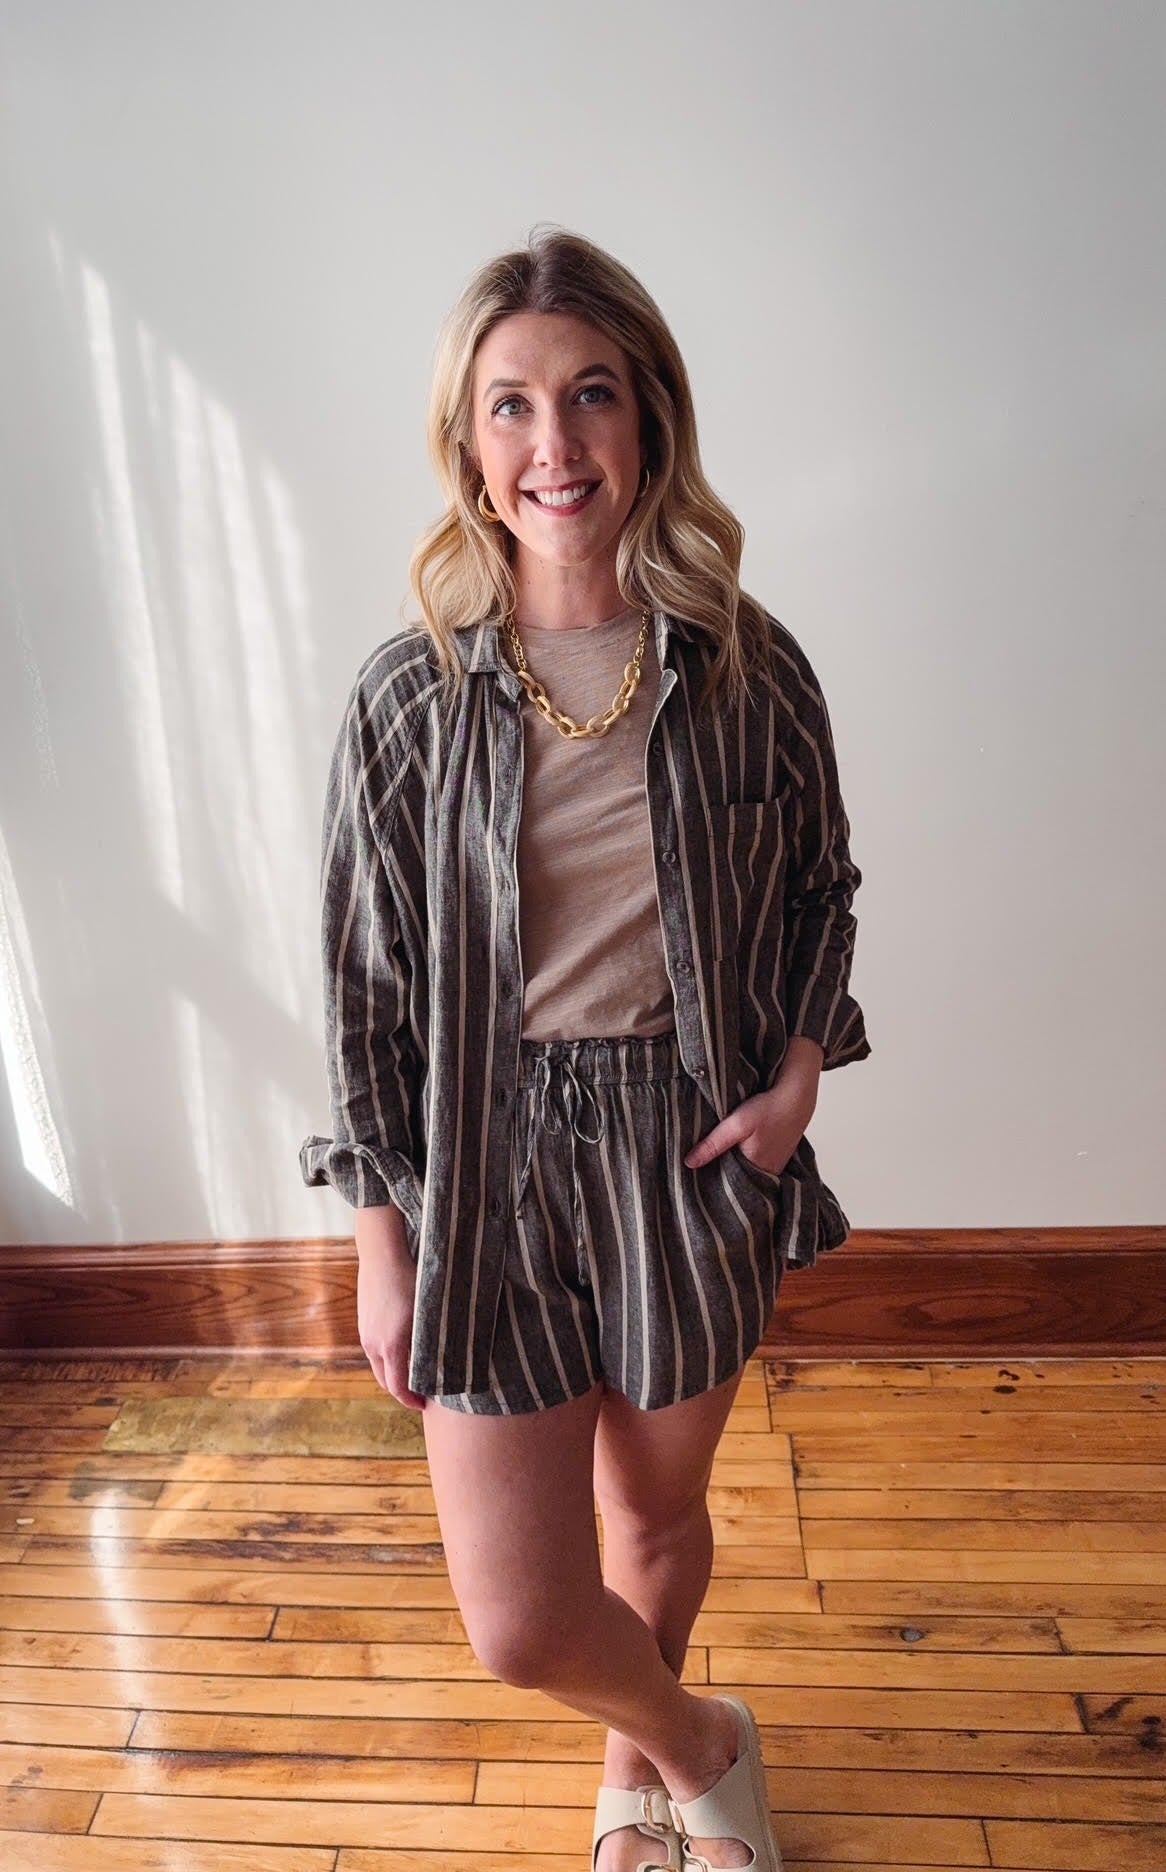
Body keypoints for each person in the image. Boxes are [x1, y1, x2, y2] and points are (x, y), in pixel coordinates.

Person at [300, 226, 871, 1872]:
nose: (553, 443)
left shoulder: (749, 670)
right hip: (478, 1164)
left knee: (651, 1516)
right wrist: (380, 1241)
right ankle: (702, 1744)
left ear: (648, 419)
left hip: (684, 1150)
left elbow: (822, 889)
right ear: (468, 445)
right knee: (519, 1615)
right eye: (511, 404)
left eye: (591, 395)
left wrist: (794, 1079)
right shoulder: (407, 702)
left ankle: (633, 1788)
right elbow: (361, 986)